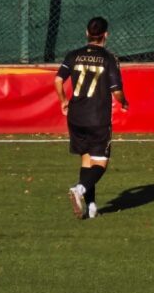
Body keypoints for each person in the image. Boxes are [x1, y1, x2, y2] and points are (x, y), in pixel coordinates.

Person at [54, 17, 129, 219]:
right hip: (97, 117)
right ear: (106, 35)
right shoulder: (109, 58)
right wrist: (124, 102)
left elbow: (58, 80)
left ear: (87, 33)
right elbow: (116, 91)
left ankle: (91, 207)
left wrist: (63, 100)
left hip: (76, 116)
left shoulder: (73, 55)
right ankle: (79, 189)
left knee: (86, 159)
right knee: (100, 163)